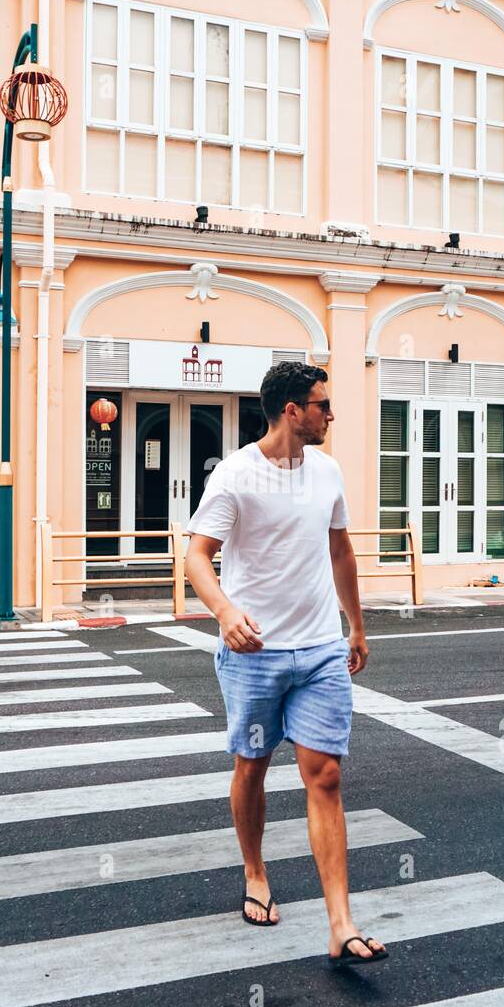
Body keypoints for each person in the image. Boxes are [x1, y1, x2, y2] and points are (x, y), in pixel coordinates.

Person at [185, 362, 389, 969]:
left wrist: (355, 623)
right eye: (323, 405)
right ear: (291, 410)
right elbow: (197, 555)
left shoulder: (327, 471)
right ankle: (255, 872)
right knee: (252, 765)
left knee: (324, 775)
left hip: (321, 648)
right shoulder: (235, 474)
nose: (332, 414)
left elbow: (339, 548)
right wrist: (224, 613)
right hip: (255, 654)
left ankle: (341, 923)